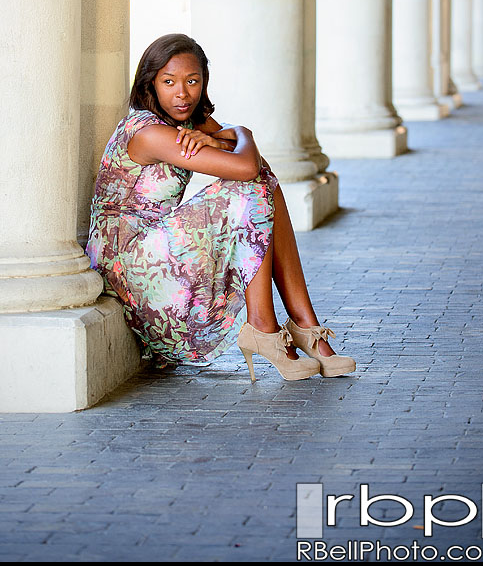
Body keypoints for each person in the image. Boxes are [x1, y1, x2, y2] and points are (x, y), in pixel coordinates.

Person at [86, 33, 355, 381]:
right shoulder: (148, 132)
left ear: (203, 83)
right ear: (150, 84)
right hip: (129, 260)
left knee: (265, 187)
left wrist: (224, 135)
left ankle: (305, 324)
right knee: (251, 185)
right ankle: (264, 326)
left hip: (156, 245)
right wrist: (240, 134)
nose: (182, 93)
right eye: (168, 82)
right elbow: (246, 166)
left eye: (192, 81)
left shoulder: (184, 121)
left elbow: (259, 167)